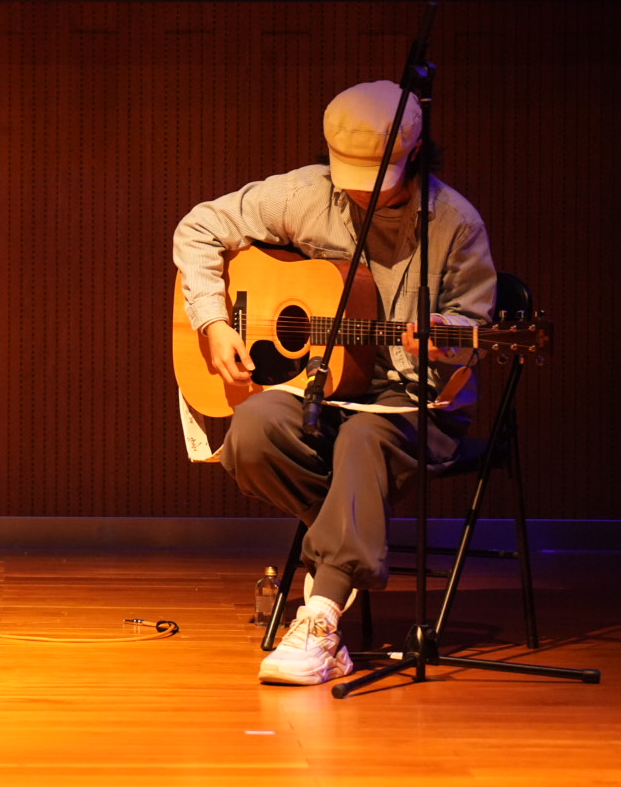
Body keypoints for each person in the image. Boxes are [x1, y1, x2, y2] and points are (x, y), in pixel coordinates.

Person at [172, 79, 495, 686]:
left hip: (414, 402)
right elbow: (199, 227)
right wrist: (213, 321)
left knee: (363, 440)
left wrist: (446, 339)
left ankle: (320, 617)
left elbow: (472, 329)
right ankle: (347, 546)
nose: (360, 191)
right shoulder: (307, 194)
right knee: (252, 429)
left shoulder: (455, 225)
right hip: (325, 391)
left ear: (415, 156)